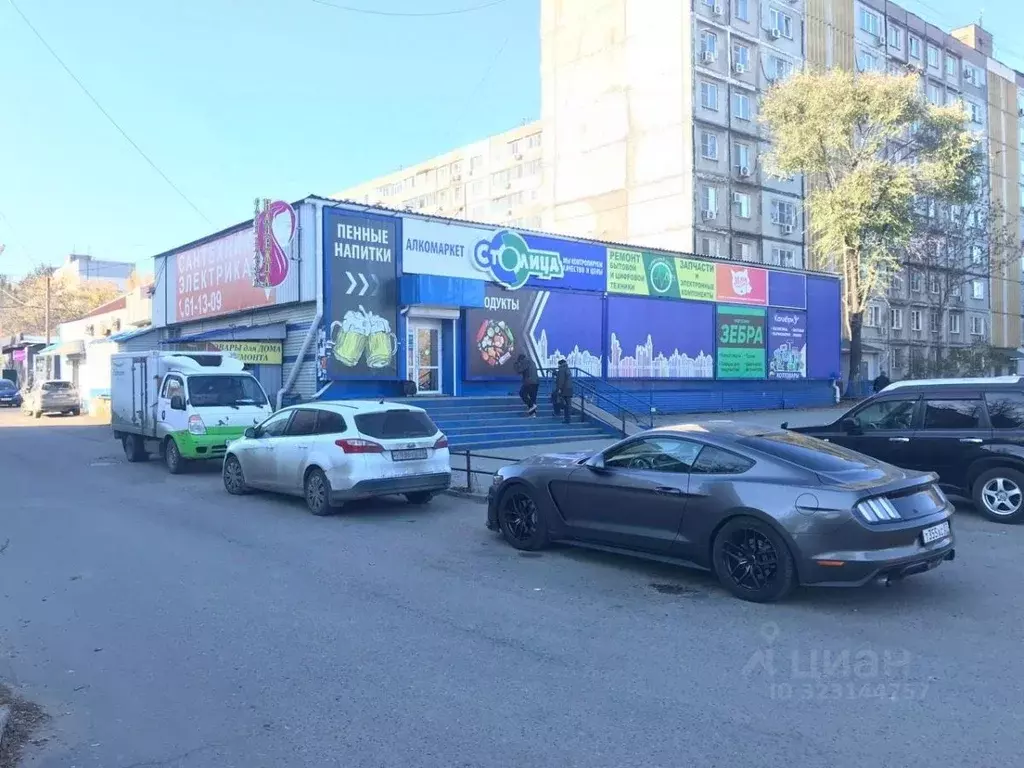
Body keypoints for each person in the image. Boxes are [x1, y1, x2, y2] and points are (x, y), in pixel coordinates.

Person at [555, 359, 574, 424]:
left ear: (560, 364)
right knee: (568, 405)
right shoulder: (567, 369)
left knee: (558, 400)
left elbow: (561, 380)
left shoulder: (561, 369)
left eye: (558, 364)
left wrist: (559, 389)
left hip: (564, 389)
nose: (558, 366)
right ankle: (568, 419)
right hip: (569, 389)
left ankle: (558, 413)